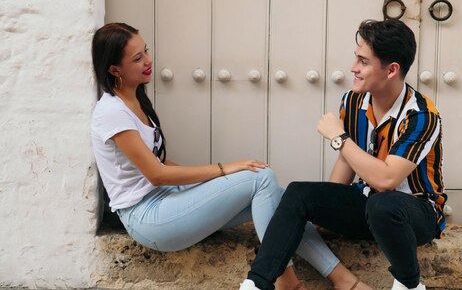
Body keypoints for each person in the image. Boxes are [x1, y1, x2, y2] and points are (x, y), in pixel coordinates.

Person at [91, 22, 347, 290]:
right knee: (261, 178)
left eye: (146, 51)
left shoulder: (136, 99)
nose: (148, 60)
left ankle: (343, 279)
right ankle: (288, 283)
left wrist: (214, 183)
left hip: (168, 200)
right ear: (113, 69)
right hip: (147, 217)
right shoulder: (112, 112)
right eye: (137, 58)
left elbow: (160, 162)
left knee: (281, 201)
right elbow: (156, 174)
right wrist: (224, 169)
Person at [240, 19, 446, 290]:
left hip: (415, 214)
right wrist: (327, 209)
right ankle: (256, 285)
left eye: (363, 61)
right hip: (368, 206)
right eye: (355, 58)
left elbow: (386, 180)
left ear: (391, 69)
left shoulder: (421, 115)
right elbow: (347, 162)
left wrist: (339, 137)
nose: (353, 68)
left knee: (383, 204)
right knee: (299, 193)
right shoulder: (353, 101)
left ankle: (409, 285)